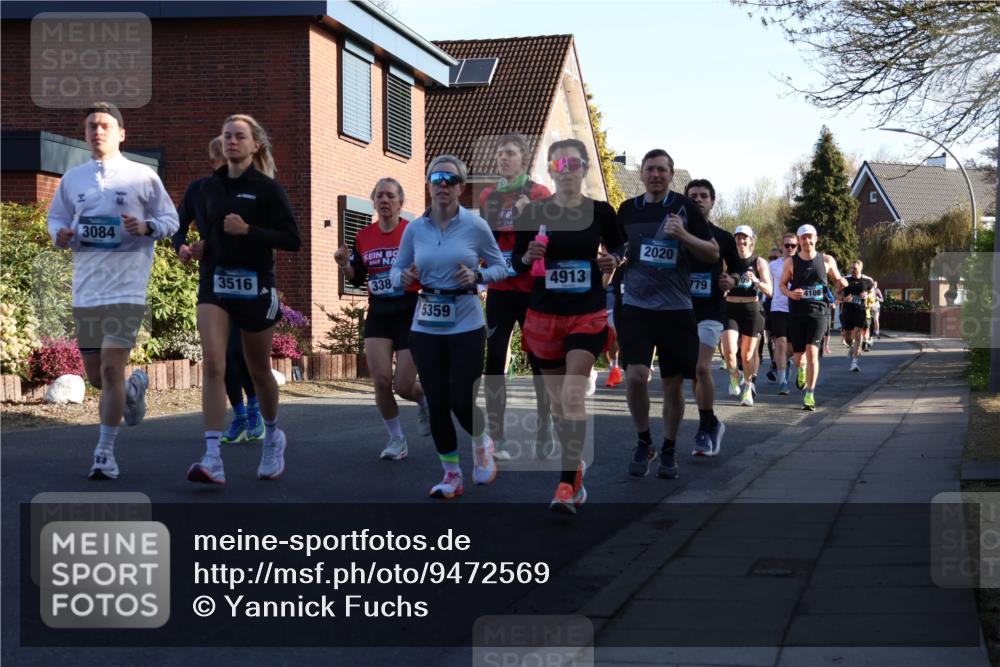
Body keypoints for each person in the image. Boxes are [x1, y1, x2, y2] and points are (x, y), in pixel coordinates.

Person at [48, 102, 179, 480]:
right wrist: (60, 233)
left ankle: (104, 453)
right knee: (96, 377)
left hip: (127, 287)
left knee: (109, 368)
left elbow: (170, 219)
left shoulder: (142, 177)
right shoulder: (73, 178)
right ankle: (134, 389)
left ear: (121, 133)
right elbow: (56, 217)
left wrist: (147, 227)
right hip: (86, 289)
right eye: (91, 126)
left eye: (105, 125)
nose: (97, 131)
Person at [513, 139, 627, 513]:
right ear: (551, 169)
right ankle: (575, 468)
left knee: (573, 393)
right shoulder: (535, 212)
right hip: (544, 313)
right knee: (559, 403)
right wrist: (528, 256)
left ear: (583, 170)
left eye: (574, 164)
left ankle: (564, 485)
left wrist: (613, 259)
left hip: (587, 311)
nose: (567, 171)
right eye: (560, 165)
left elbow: (620, 248)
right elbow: (517, 260)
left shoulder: (600, 212)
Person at [186, 114, 301, 484]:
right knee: (214, 364)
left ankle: (272, 435)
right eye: (227, 136)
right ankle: (212, 456)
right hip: (214, 284)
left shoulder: (268, 190)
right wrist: (191, 248)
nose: (232, 141)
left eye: (240, 136)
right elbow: (185, 226)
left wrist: (248, 230)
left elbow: (291, 239)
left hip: (256, 288)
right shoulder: (206, 188)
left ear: (256, 146)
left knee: (258, 370)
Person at [391, 155, 507, 499]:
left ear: (460, 188)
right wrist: (405, 277)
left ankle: (482, 440)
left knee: (460, 399)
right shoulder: (414, 228)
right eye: (436, 178)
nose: (443, 185)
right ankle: (451, 473)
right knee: (437, 401)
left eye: (450, 180)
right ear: (428, 185)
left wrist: (479, 275)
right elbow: (396, 272)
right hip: (426, 324)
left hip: (467, 321)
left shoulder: (475, 226)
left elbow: (501, 266)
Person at [615, 150, 718, 479]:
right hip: (636, 306)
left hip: (676, 309)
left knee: (673, 385)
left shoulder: (685, 208)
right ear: (642, 174)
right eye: (650, 169)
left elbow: (713, 252)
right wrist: (617, 258)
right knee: (634, 377)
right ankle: (644, 441)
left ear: (671, 174)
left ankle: (670, 447)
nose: (655, 175)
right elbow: (616, 251)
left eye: (662, 169)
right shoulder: (628, 210)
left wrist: (684, 236)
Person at [174, 137, 264, 445]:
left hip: (247, 280)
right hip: (213, 280)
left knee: (240, 350)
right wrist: (183, 248)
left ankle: (254, 409)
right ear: (214, 161)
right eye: (222, 161)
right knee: (219, 354)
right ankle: (238, 414)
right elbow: (178, 224)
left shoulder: (255, 189)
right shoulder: (199, 190)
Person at [335, 178, 430, 460]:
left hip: (409, 311)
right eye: (380, 196)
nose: (385, 200)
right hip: (378, 313)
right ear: (373, 203)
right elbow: (358, 276)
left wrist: (416, 274)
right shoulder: (364, 236)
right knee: (379, 381)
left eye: (390, 196)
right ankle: (397, 440)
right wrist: (344, 265)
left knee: (403, 385)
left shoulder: (412, 232)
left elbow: (430, 269)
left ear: (401, 202)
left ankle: (423, 398)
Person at [478, 134, 553, 460]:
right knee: (494, 359)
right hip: (499, 289)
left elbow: (549, 235)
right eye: (500, 154)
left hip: (532, 288)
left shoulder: (539, 193)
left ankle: (543, 428)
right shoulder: (487, 195)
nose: (503, 159)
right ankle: (497, 435)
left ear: (523, 159)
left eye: (510, 154)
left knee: (539, 361)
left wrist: (528, 214)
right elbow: (485, 238)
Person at [684, 178, 738, 456]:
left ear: (712, 201)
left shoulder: (723, 236)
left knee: (702, 368)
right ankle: (711, 422)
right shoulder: (676, 234)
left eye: (703, 196)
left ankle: (706, 427)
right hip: (681, 311)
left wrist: (732, 278)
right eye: (692, 195)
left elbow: (739, 265)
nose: (698, 200)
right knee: (694, 373)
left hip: (711, 311)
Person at [778, 224, 848, 411]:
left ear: (816, 238)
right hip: (797, 313)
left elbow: (838, 280)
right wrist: (791, 294)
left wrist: (842, 284)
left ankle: (809, 394)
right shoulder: (791, 262)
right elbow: (782, 285)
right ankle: (801, 369)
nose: (807, 241)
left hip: (819, 311)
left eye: (810, 237)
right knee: (799, 358)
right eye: (803, 238)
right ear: (799, 241)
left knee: (812, 351)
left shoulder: (826, 260)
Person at [721, 226, 772, 407]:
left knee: (748, 354)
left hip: (751, 309)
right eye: (738, 238)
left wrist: (756, 281)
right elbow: (720, 280)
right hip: (730, 308)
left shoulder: (759, 262)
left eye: (745, 238)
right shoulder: (728, 261)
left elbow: (770, 290)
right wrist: (723, 287)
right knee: (728, 350)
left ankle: (748, 388)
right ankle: (735, 374)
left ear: (751, 241)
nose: (741, 241)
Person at [767, 233, 797, 395]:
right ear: (782, 246)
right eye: (787, 245)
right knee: (780, 344)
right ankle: (783, 382)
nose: (790, 248)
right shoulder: (773, 266)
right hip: (778, 308)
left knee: (792, 348)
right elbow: (765, 282)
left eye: (793, 246)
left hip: (797, 310)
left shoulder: (802, 263)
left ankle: (787, 362)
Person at [838, 259, 873, 372]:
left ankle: (854, 363)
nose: (852, 270)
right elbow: (837, 295)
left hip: (860, 311)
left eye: (855, 268)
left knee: (858, 334)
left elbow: (873, 293)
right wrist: (844, 298)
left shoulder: (867, 281)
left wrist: (867, 295)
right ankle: (851, 346)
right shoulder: (845, 279)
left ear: (860, 268)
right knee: (848, 338)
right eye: (851, 268)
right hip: (847, 312)